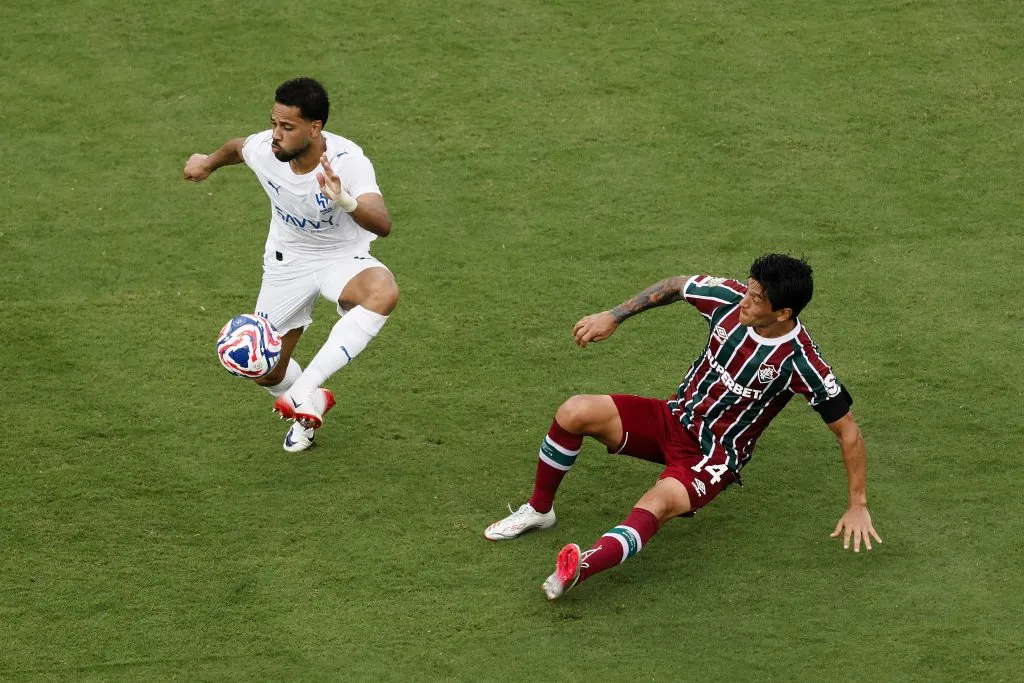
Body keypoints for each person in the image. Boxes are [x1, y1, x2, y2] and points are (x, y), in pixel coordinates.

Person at [484, 254, 882, 600]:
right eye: (749, 287)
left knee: (657, 503)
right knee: (574, 411)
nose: (745, 298)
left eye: (757, 298)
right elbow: (678, 285)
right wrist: (614, 316)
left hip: (713, 455)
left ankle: (578, 569)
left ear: (783, 313)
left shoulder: (802, 363)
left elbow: (848, 431)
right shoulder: (729, 299)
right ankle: (539, 510)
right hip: (673, 418)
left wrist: (858, 505)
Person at [184, 77, 398, 452]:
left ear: (315, 128)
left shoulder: (348, 162)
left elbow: (383, 222)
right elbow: (236, 148)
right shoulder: (266, 151)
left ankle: (304, 389)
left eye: (287, 127)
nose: (275, 135)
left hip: (341, 259)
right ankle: (310, 403)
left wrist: (345, 199)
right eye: (273, 123)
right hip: (287, 263)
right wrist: (207, 163)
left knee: (383, 292)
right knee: (265, 370)